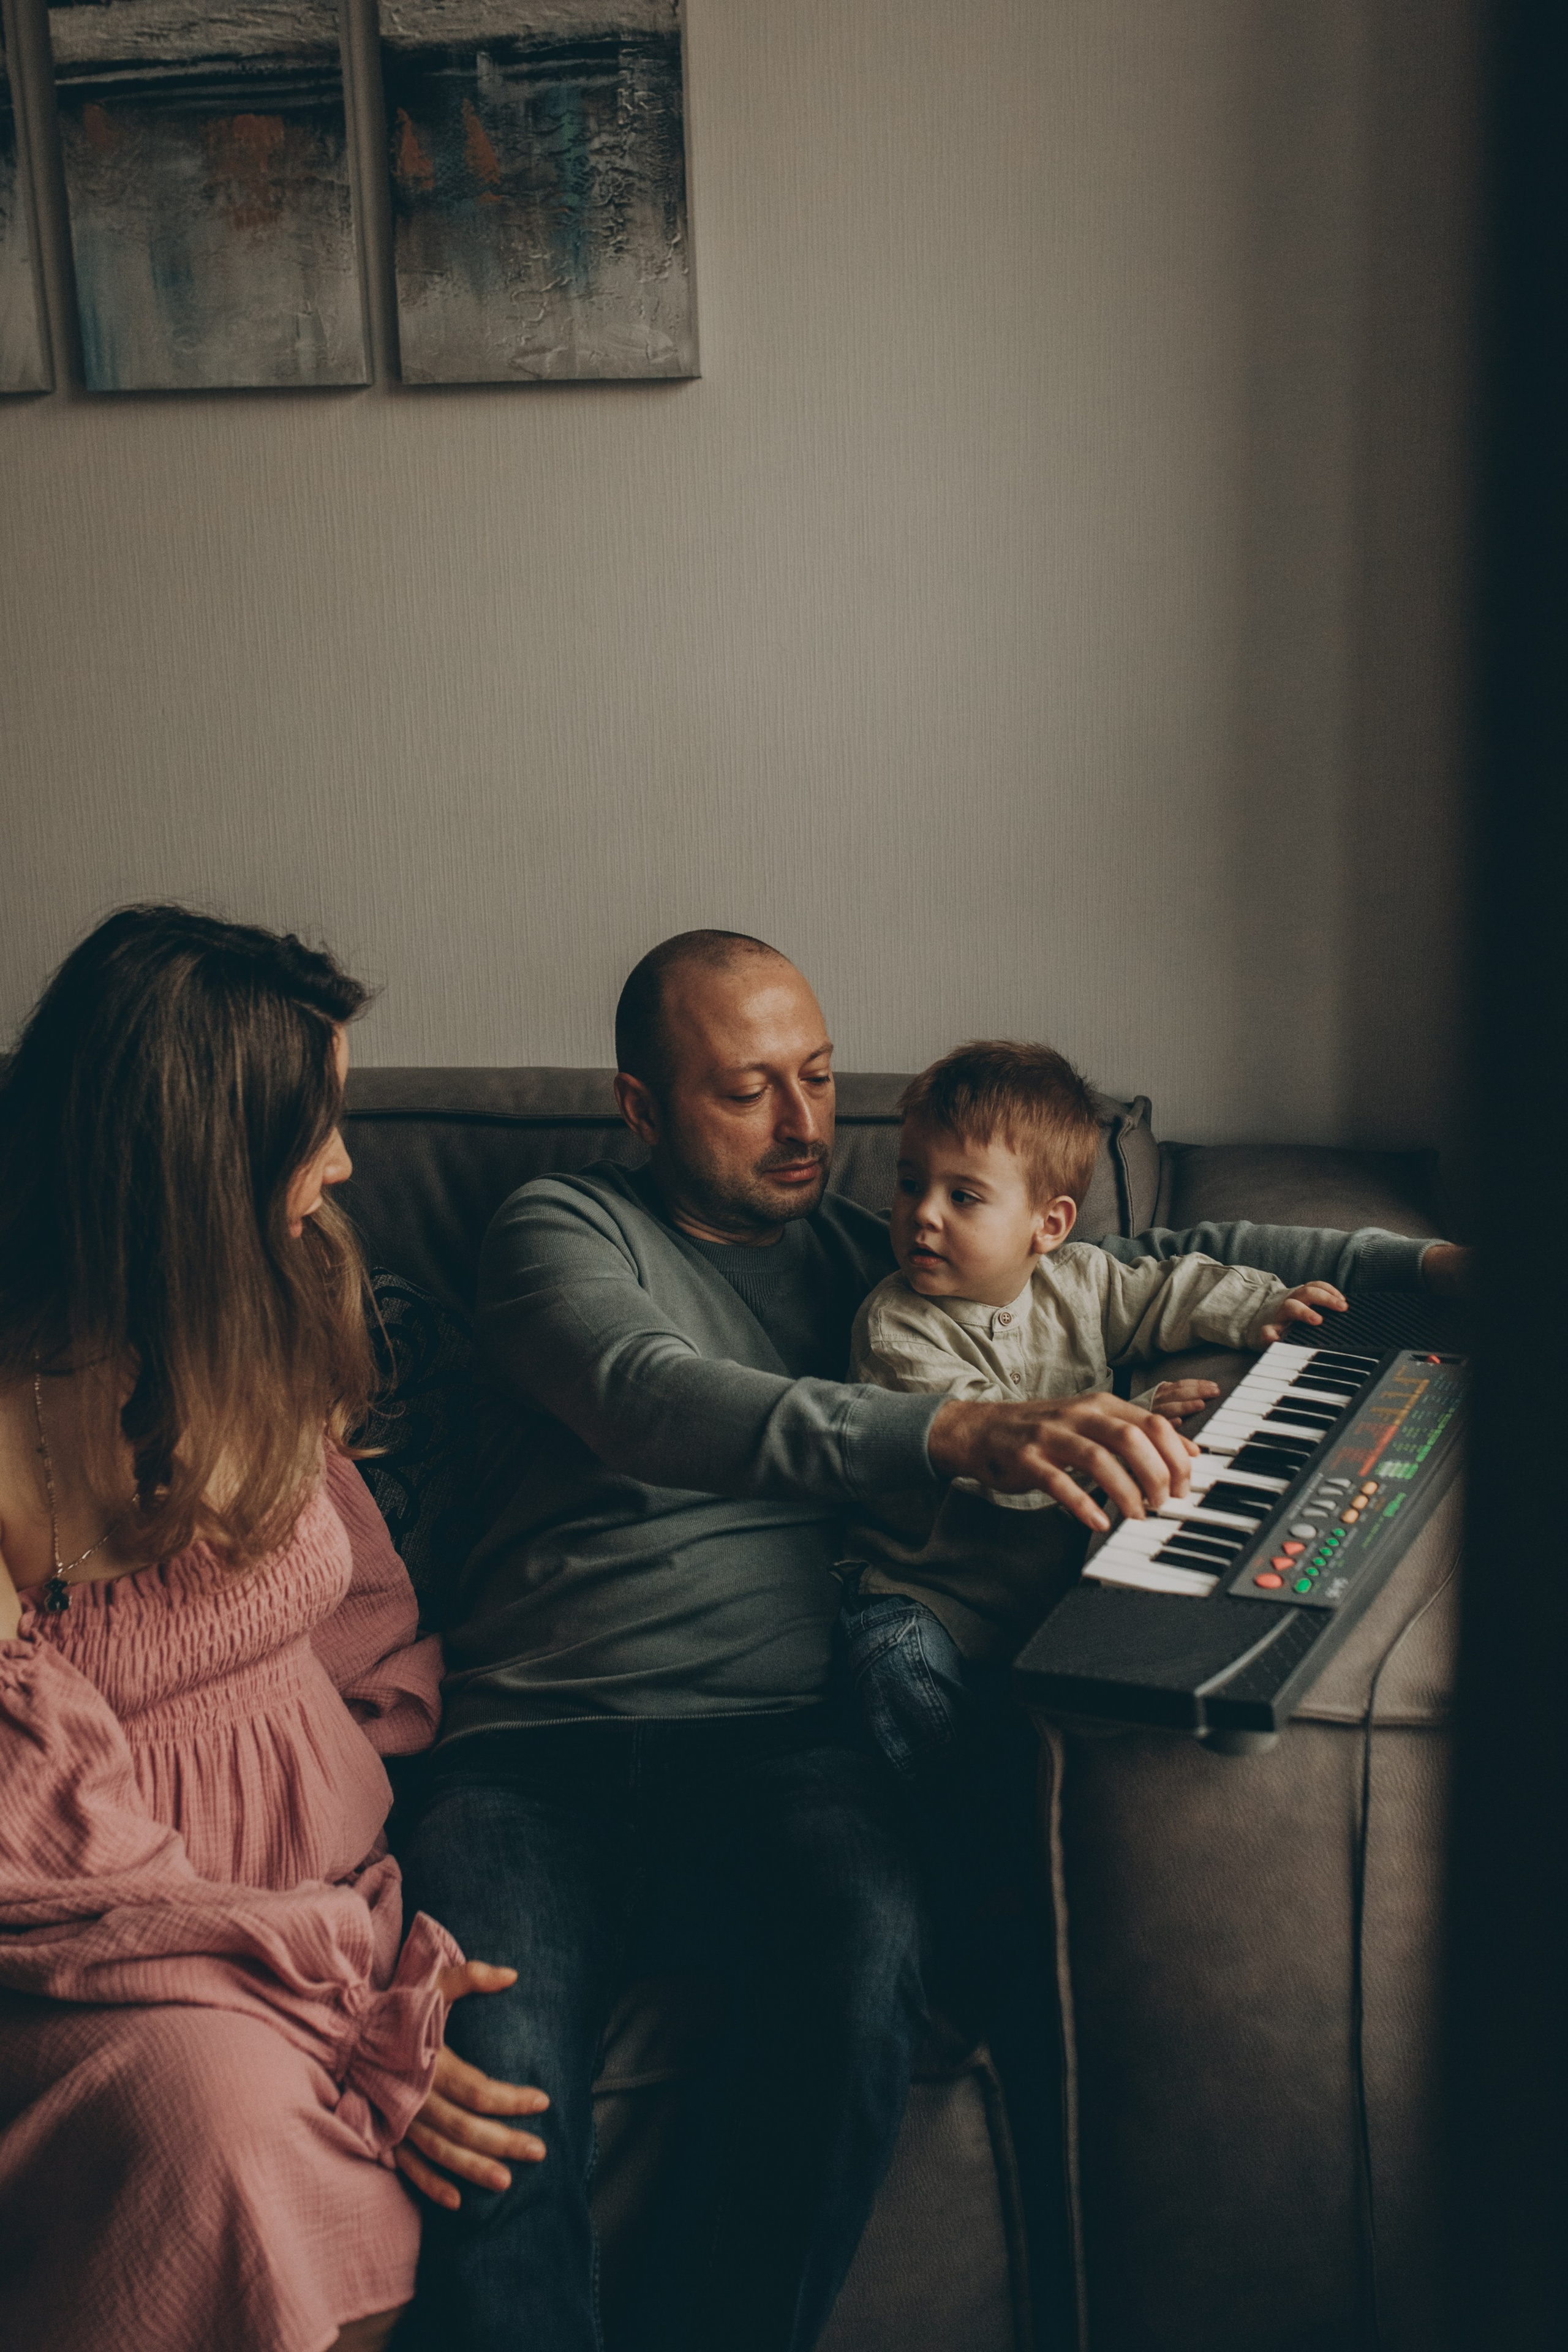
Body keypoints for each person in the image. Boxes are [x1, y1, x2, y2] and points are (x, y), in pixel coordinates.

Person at [401, 927, 1463, 2352]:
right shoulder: (560, 1228)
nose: (803, 1129)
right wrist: (953, 1428)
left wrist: (1427, 1258)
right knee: (494, 2087)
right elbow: (648, 1393)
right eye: (746, 1090)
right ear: (642, 1108)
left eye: (820, 1080)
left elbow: (1169, 1257)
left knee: (861, 1945)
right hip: (534, 1752)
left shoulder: (881, 1252)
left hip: (782, 1743)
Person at [0, 907, 545, 2352]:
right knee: (223, 2123)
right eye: (318, 1129)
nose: (349, 1162)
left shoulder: (281, 1292)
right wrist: (322, 1990)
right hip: (101, 1937)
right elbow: (37, 1845)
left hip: (325, 1891)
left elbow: (347, 1579)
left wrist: (390, 1751)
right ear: (193, 1166)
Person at [837, 1037, 1349, 1776]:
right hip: (926, 1595)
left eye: (963, 1196)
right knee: (897, 1671)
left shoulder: (1076, 1278)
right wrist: (1126, 1416)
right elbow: (1000, 1451)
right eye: (909, 1183)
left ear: (1048, 1225)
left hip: (1042, 1586)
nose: (922, 1215)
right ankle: (967, 1827)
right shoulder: (894, 1327)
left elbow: (1168, 1288)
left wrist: (1261, 1307)